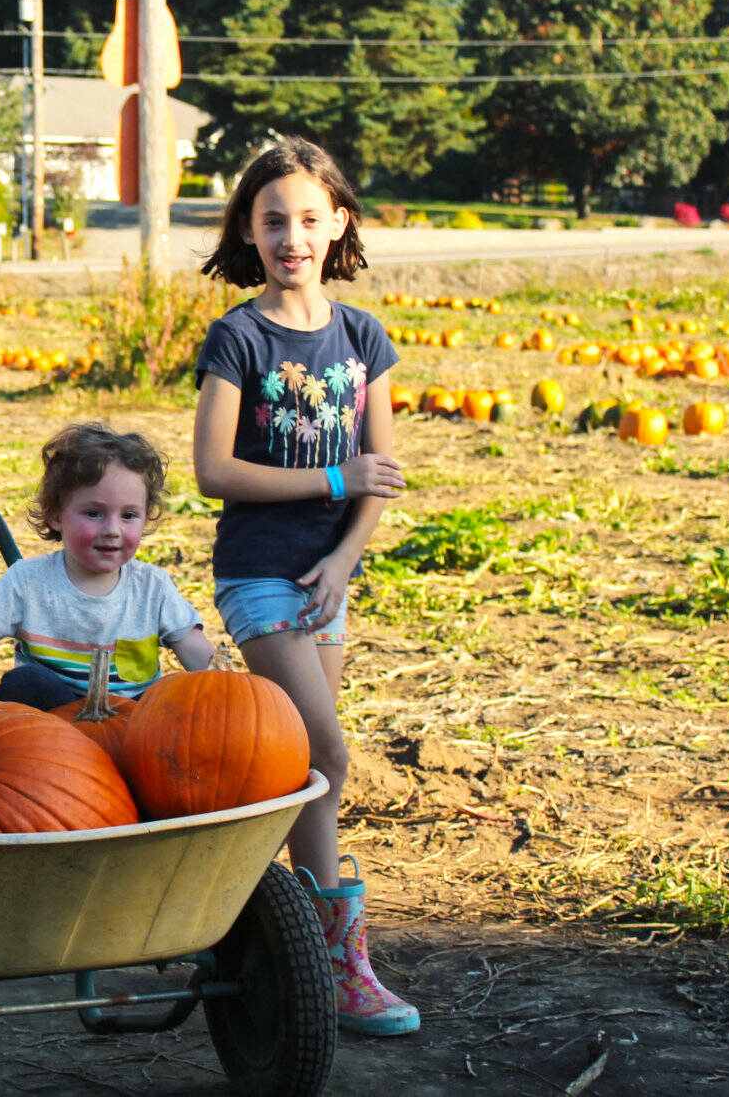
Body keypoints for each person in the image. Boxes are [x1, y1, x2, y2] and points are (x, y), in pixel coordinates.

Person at [190, 137, 417, 1037]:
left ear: (339, 225)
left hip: (329, 578)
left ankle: (285, 937)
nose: (292, 236)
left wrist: (345, 558)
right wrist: (331, 483)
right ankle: (335, 956)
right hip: (257, 572)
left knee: (303, 769)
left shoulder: (363, 336)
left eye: (308, 219)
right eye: (273, 219)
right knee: (326, 751)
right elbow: (214, 468)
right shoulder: (237, 336)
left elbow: (382, 474)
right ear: (249, 230)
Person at [0, 423, 214, 708]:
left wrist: (230, 690)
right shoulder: (29, 582)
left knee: (174, 695)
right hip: (48, 733)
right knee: (26, 683)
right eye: (93, 513)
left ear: (147, 516)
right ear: (55, 514)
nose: (112, 530)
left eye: (129, 516)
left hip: (132, 735)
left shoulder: (152, 587)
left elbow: (193, 646)